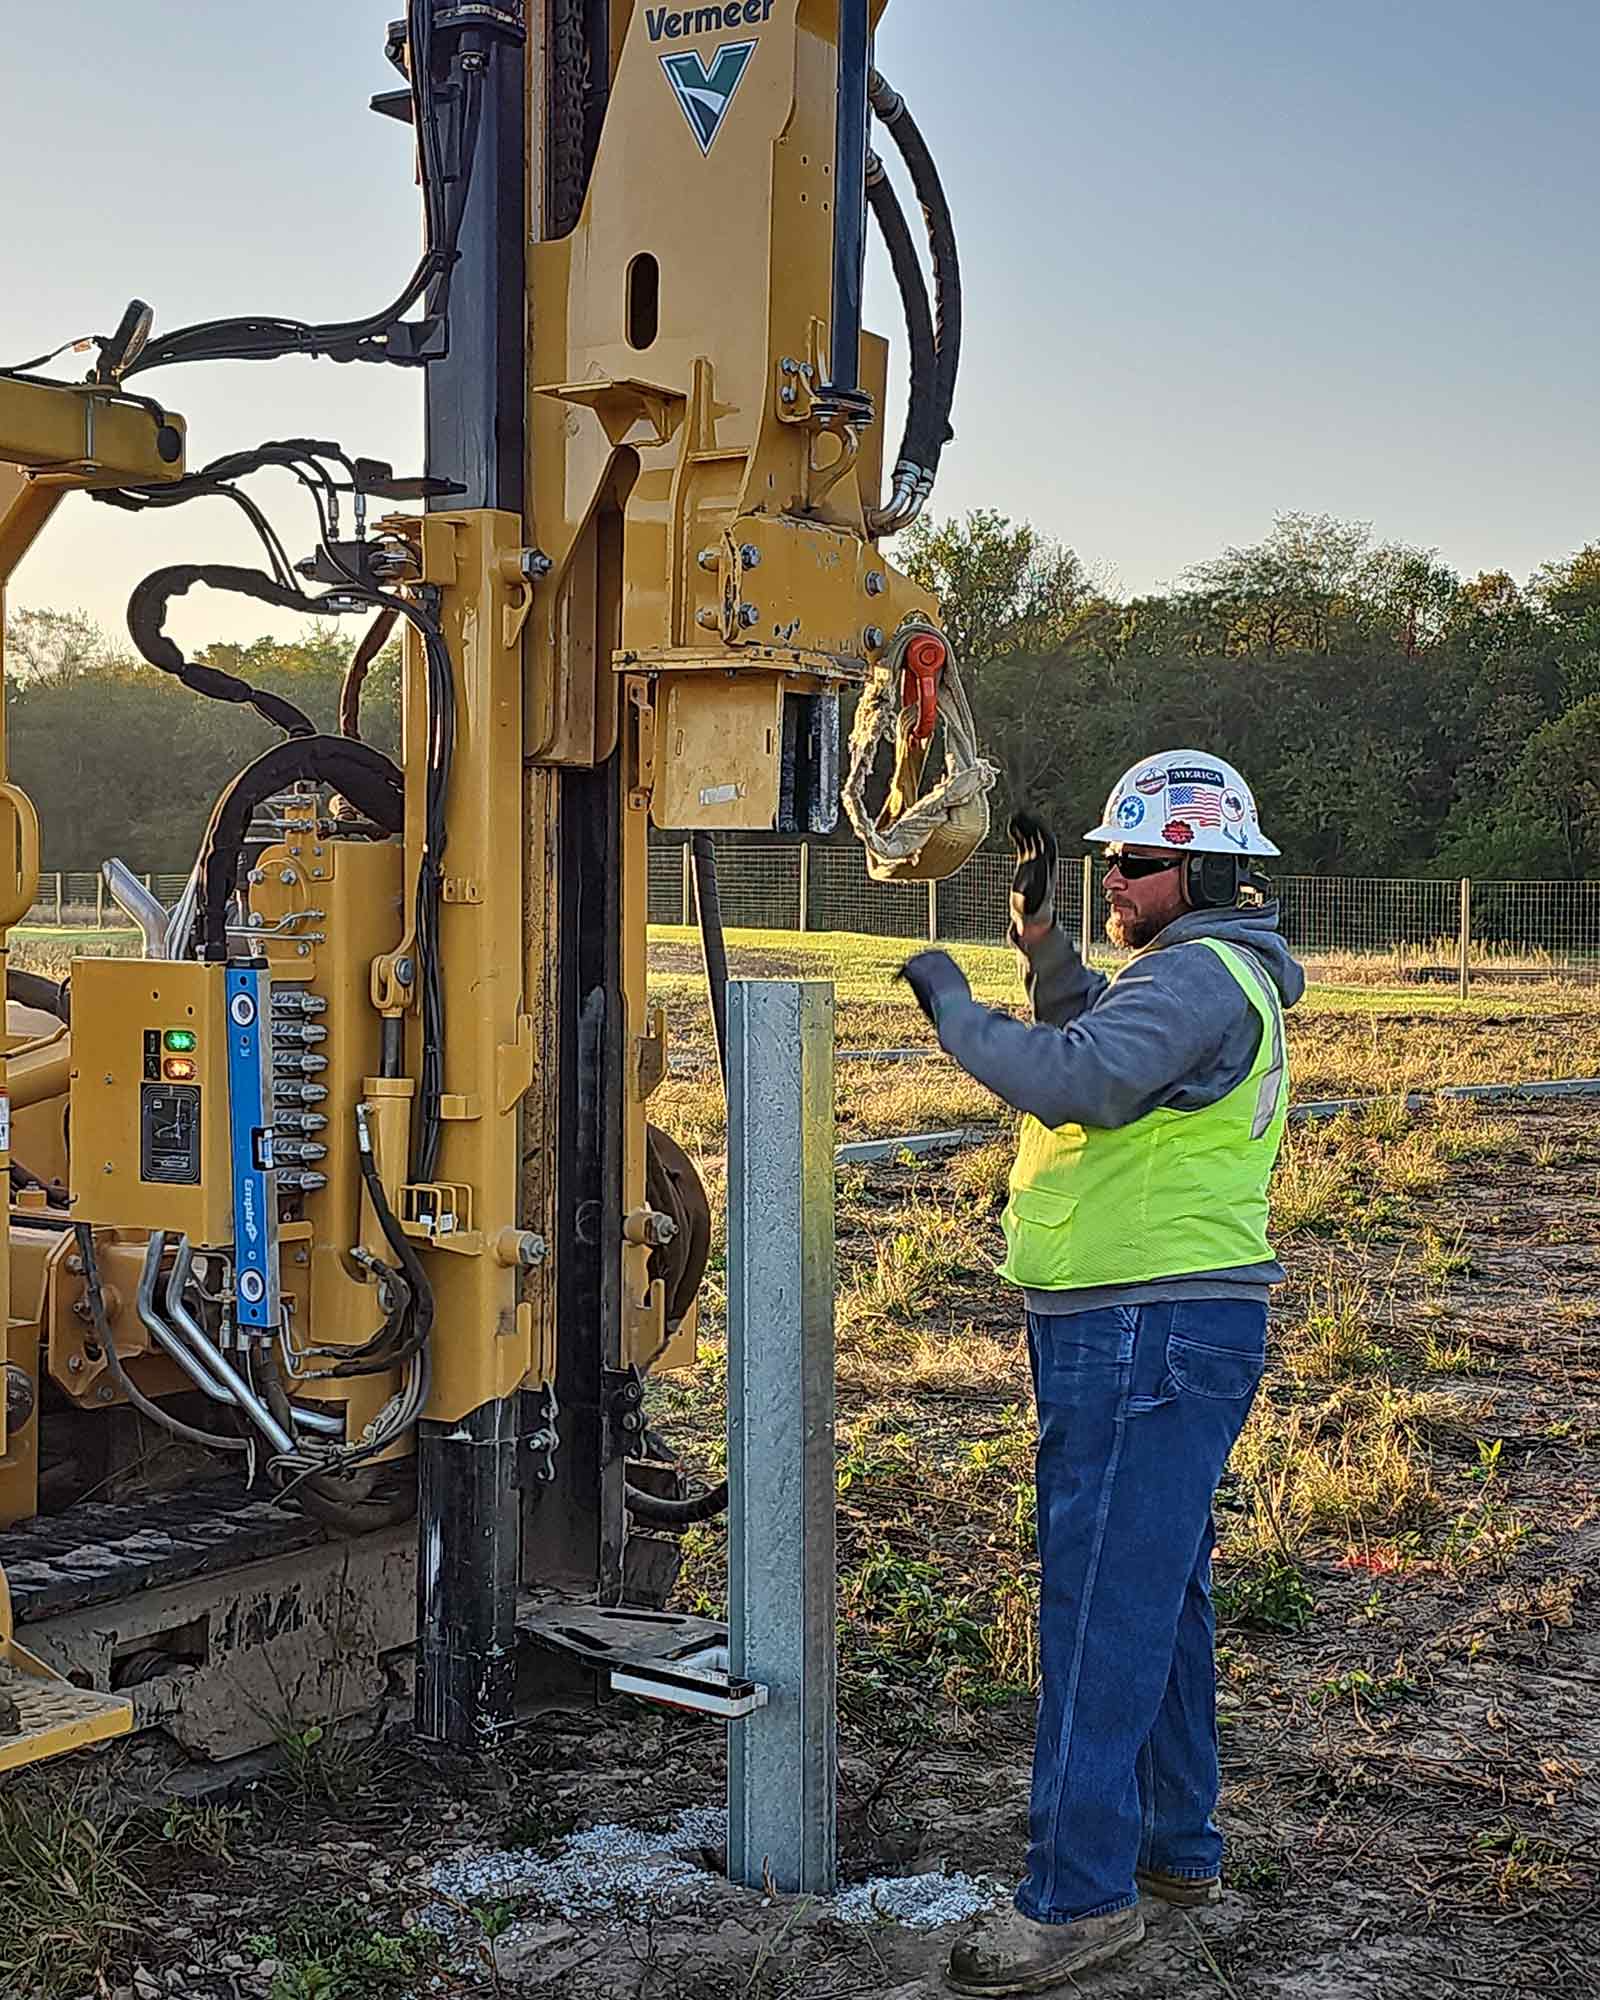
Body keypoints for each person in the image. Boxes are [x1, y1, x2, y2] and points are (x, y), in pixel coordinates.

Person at [897, 750, 1305, 1996]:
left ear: (1208, 870)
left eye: (1133, 861)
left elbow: (1075, 1076)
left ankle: (1075, 1899)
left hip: (1145, 1331)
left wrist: (953, 1005)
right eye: (1105, 859)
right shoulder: (1192, 975)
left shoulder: (1194, 978)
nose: (1112, 877)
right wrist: (1045, 950)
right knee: (1159, 1591)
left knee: (1095, 1609)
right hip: (1154, 1325)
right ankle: (1174, 1846)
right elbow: (1103, 1035)